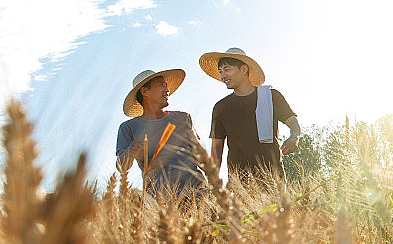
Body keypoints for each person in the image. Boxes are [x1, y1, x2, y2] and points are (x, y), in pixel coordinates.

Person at [199, 47, 300, 181]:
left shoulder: (270, 96)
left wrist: (294, 138)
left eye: (227, 69)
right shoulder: (221, 107)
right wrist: (213, 182)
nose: (222, 76)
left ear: (243, 69)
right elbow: (217, 149)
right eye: (220, 71)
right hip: (239, 183)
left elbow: (293, 123)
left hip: (274, 179)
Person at [116, 68, 206, 195]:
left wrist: (216, 185)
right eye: (161, 85)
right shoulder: (128, 128)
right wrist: (130, 152)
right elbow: (121, 167)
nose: (167, 90)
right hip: (161, 202)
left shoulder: (182, 118)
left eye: (166, 86)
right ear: (145, 91)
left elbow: (201, 155)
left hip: (197, 193)